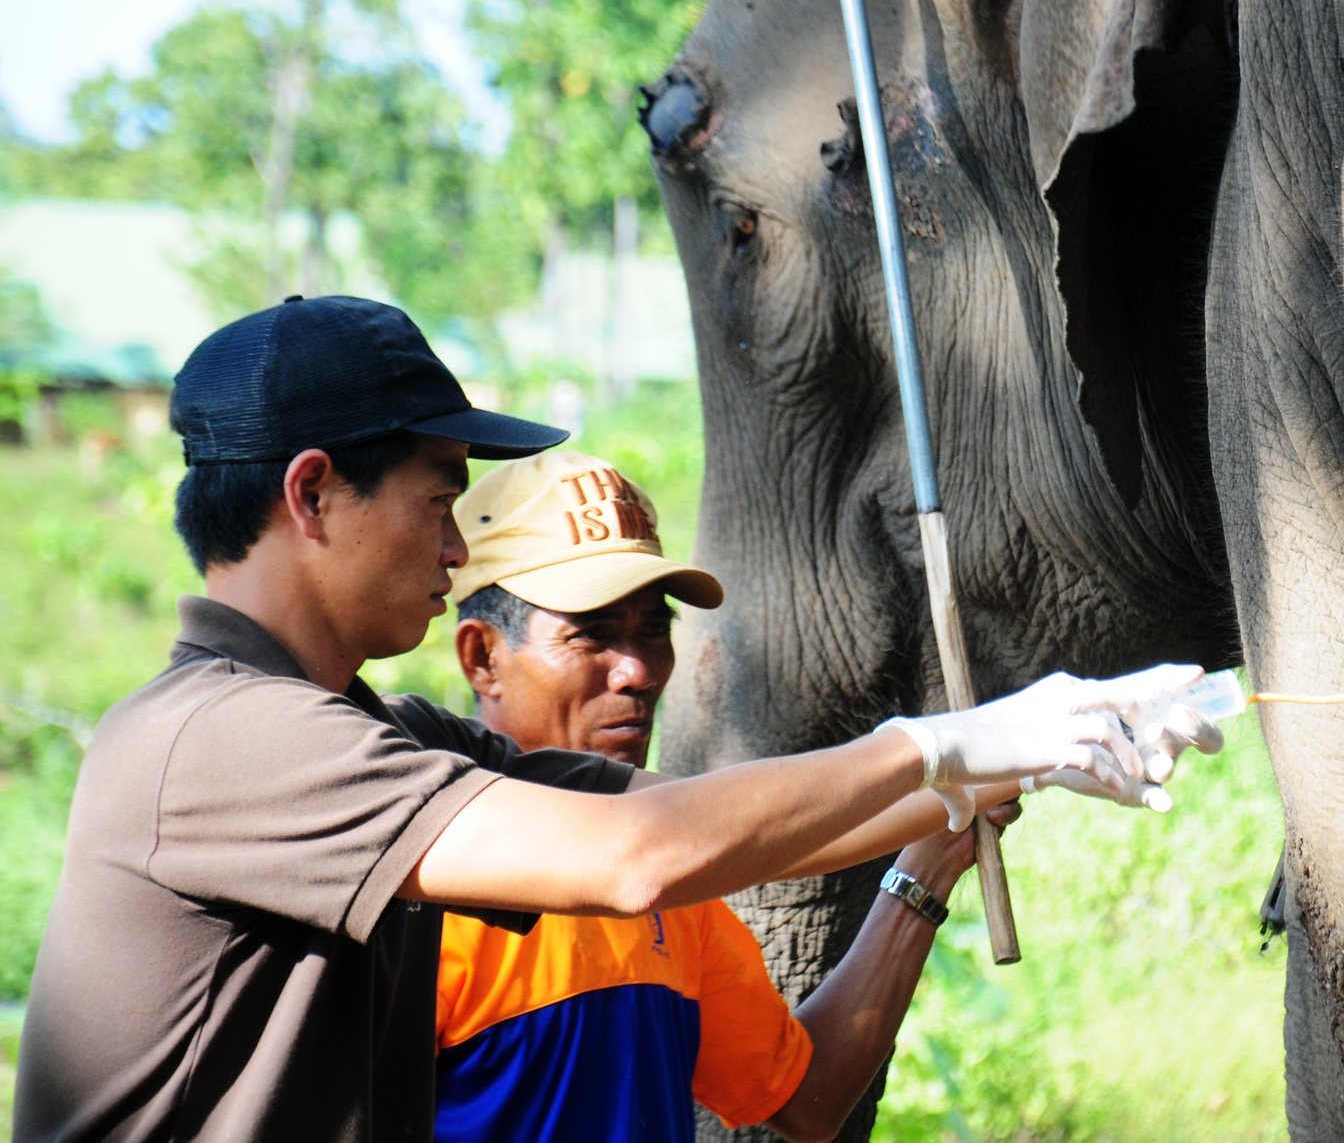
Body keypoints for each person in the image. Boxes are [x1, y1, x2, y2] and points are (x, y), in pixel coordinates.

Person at [11, 296, 1218, 1143]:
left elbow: (669, 824)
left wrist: (1027, 757)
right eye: (438, 502)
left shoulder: (394, 741)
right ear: (313, 492)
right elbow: (632, 862)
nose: (451, 546)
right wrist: (946, 743)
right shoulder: (217, 737)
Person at [435, 450, 1009, 1142]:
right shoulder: (425, 868)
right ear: (481, 657)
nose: (639, 671)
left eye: (654, 629)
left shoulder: (674, 884)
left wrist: (930, 862)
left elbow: (806, 1098)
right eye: (592, 635)